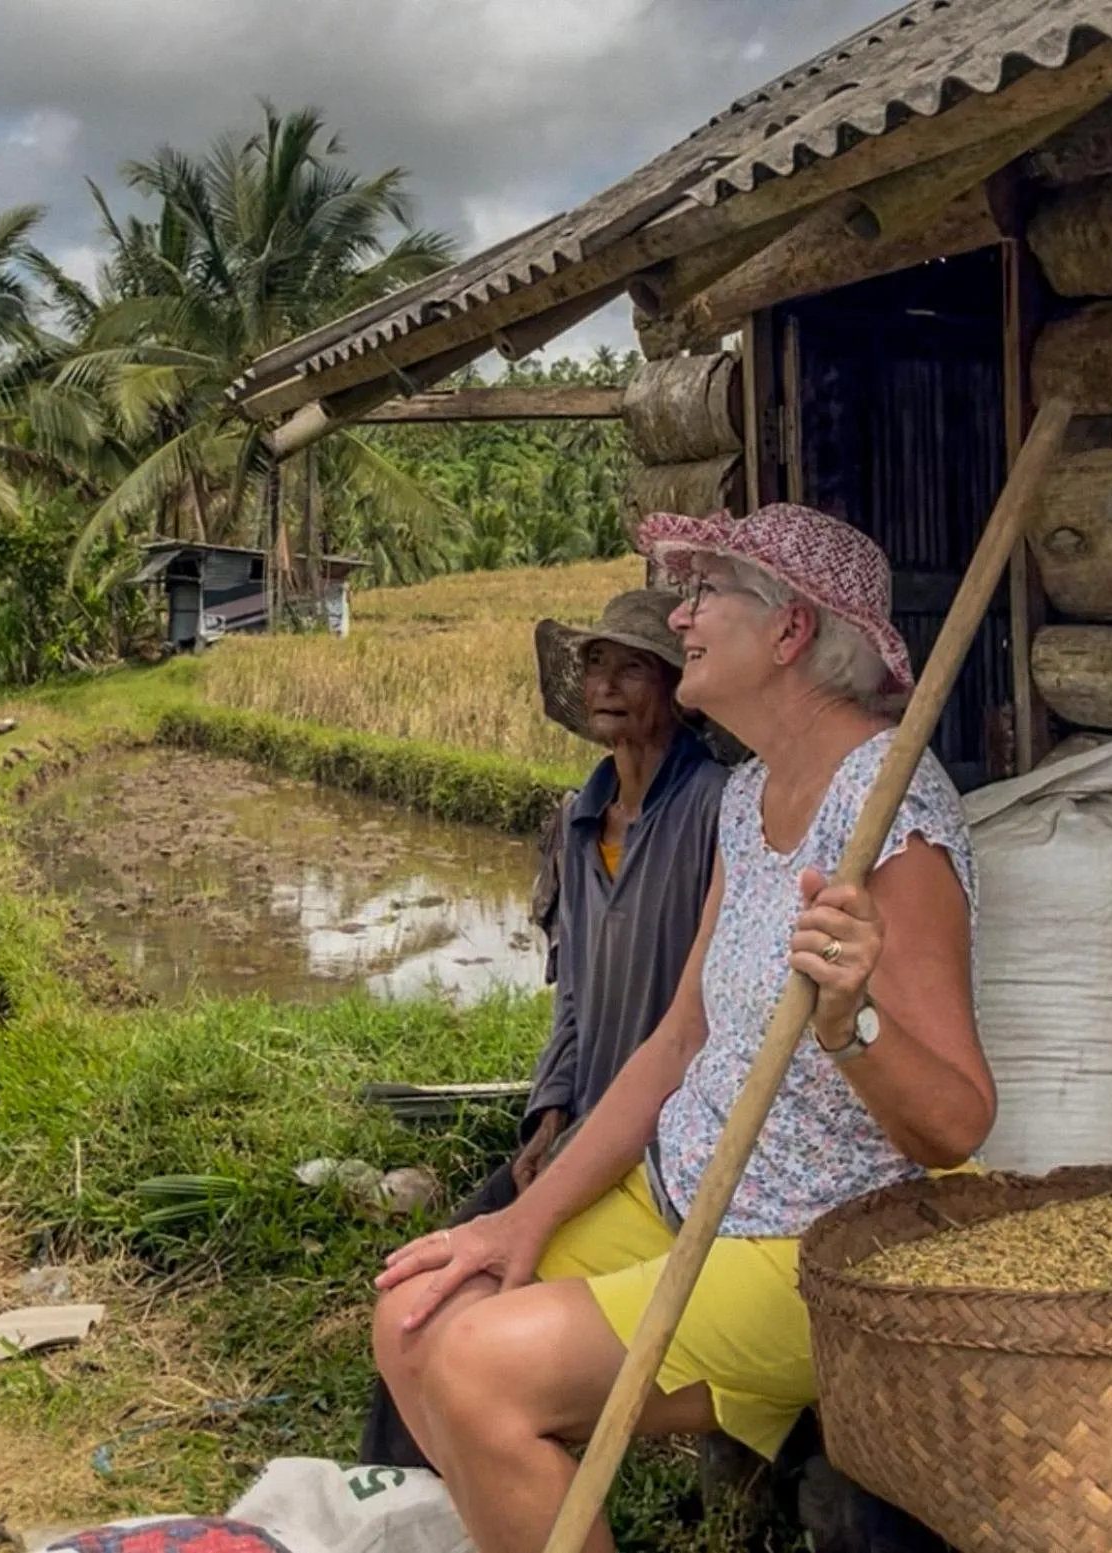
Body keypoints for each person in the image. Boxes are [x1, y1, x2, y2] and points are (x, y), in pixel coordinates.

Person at [370, 505, 996, 1553]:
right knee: (416, 1314)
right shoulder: (747, 796)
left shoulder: (892, 815)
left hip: (819, 1241)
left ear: (789, 631)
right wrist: (519, 1220)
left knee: (477, 1366)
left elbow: (958, 1122)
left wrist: (853, 1021)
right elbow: (677, 1040)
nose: (683, 614)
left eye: (706, 593)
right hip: (690, 1186)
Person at [358, 587, 730, 1469]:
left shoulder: (717, 809)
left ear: (676, 686)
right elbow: (569, 993)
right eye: (594, 663)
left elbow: (708, 1018)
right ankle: (409, 1499)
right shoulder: (577, 820)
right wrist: (548, 1112)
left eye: (631, 665)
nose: (604, 682)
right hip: (581, 1130)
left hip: (664, 1144)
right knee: (422, 1288)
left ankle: (485, 1490)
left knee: (482, 1323)